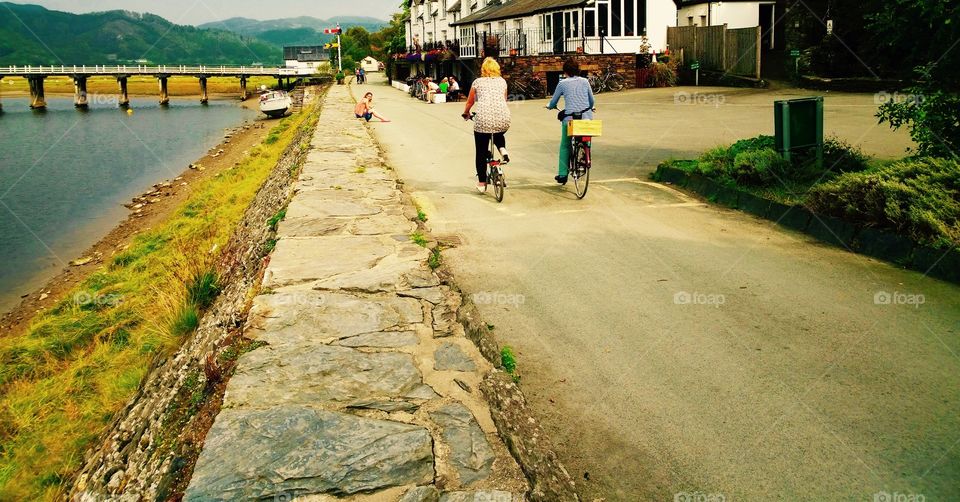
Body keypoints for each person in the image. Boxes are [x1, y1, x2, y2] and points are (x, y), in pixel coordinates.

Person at [462, 57, 511, 193]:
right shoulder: (502, 81)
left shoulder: (477, 82)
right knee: (498, 131)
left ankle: (482, 183)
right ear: (497, 69)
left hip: (483, 119)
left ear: (483, 70)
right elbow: (504, 99)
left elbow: (470, 102)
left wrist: (466, 113)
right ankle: (502, 149)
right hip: (503, 117)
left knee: (481, 152)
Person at [546, 58, 594, 185]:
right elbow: (592, 101)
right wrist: (590, 107)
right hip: (586, 118)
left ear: (565, 71)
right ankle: (586, 154)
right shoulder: (585, 81)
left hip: (570, 120)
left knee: (565, 145)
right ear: (578, 70)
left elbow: (554, 101)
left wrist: (550, 106)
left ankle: (562, 174)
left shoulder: (562, 84)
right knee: (586, 137)